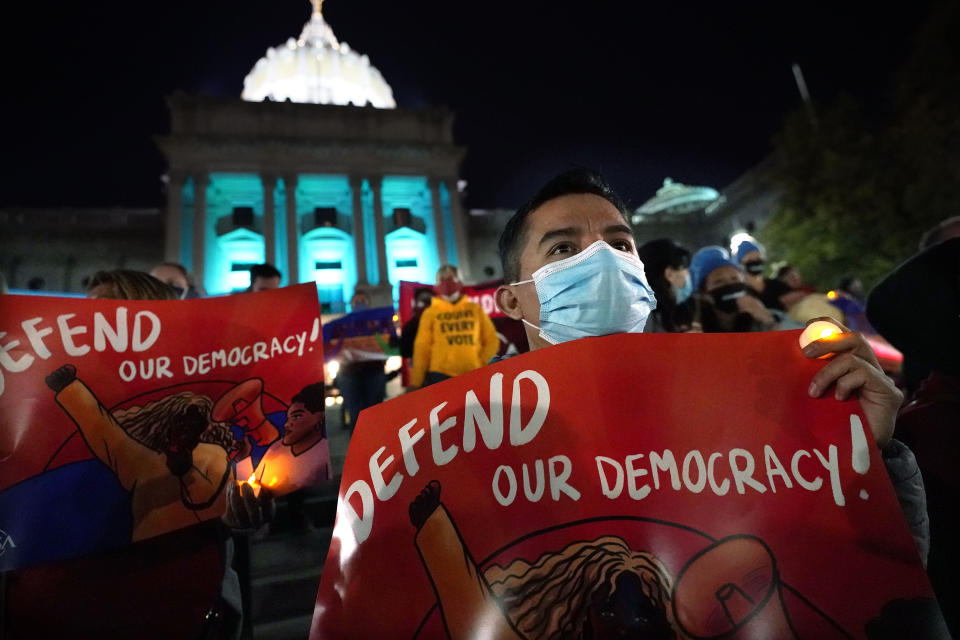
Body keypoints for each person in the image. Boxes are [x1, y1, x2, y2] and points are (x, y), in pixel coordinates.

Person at [493, 168, 924, 557]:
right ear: (511, 299)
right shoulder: (470, 442)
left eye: (619, 244)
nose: (602, 261)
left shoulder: (746, 403)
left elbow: (853, 581)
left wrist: (867, 457)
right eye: (564, 247)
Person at [409, 265, 499, 388]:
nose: (447, 283)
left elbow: (491, 340)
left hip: (473, 374)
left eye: (451, 278)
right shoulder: (430, 313)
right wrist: (416, 381)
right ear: (436, 285)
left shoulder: (475, 309)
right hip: (440, 376)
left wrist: (481, 363)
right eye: (442, 280)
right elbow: (422, 348)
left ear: (459, 281)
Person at [688, 246, 796, 333]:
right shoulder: (695, 330)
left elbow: (802, 343)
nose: (730, 284)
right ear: (703, 294)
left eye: (735, 278)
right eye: (719, 281)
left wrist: (768, 320)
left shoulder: (766, 317)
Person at [637, 238, 698, 333]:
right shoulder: (645, 321)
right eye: (684, 268)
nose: (688, 274)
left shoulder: (660, 313)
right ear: (669, 274)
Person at [734, 240, 805, 311]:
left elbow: (800, 297)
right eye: (750, 261)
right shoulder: (744, 294)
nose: (755, 262)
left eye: (758, 259)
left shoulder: (776, 285)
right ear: (741, 265)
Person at [400, 286, 435, 359]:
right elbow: (405, 352)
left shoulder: (440, 324)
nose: (426, 307)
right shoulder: (409, 328)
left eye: (429, 303)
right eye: (422, 303)